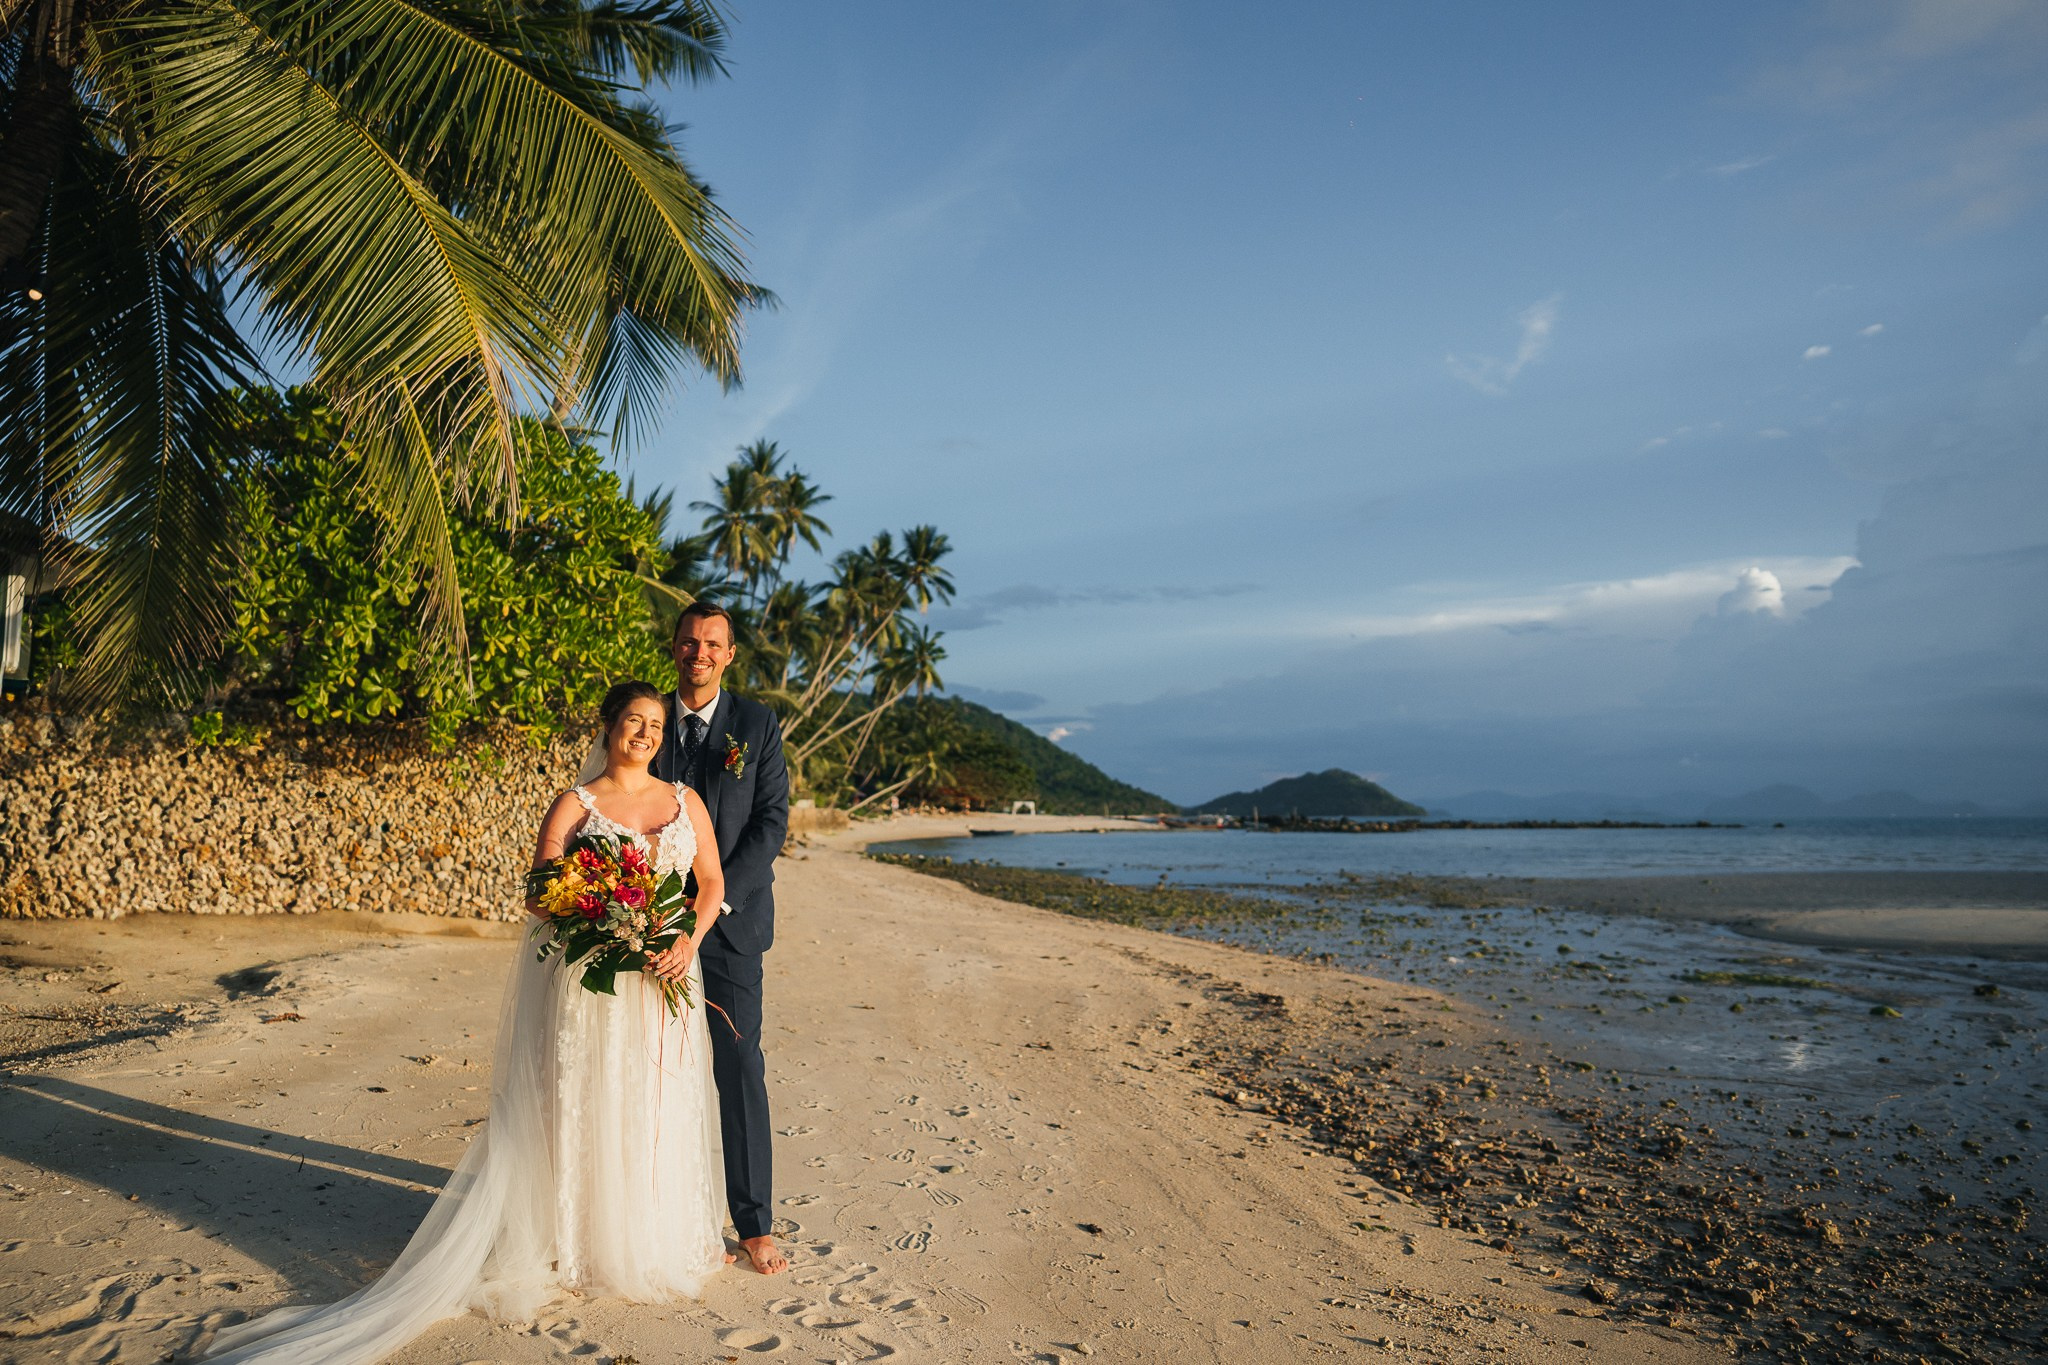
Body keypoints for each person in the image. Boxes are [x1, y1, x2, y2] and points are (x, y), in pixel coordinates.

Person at [203, 681, 729, 1364]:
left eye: (655, 723)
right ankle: (582, 1241)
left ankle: (649, 1234)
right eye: (633, 720)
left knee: (654, 1100)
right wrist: (598, 912)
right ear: (608, 726)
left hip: (665, 972)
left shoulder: (684, 801)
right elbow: (540, 892)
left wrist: (688, 937)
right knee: (588, 1100)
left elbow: (710, 883)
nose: (645, 733)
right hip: (591, 981)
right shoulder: (576, 803)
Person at [652, 600, 792, 1276]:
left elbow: (770, 823)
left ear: (730, 654)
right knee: (652, 1067)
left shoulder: (757, 724)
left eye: (712, 643)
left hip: (732, 926)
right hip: (651, 924)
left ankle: (754, 1224)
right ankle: (658, 1214)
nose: (699, 653)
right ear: (673, 646)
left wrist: (711, 901)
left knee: (738, 1068)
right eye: (689, 641)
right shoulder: (648, 720)